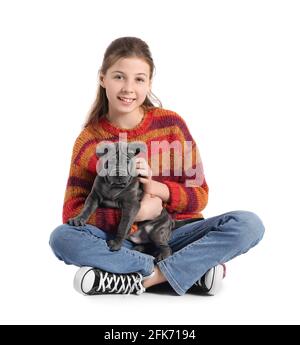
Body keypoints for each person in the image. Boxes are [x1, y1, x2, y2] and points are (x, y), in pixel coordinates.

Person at [49, 36, 265, 296]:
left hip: (173, 233)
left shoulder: (172, 125)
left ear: (149, 83)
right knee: (62, 238)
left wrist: (157, 190)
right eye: (119, 77)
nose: (129, 88)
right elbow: (73, 213)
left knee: (248, 224)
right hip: (121, 240)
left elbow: (200, 196)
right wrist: (134, 214)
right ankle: (183, 271)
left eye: (139, 79)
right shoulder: (89, 141)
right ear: (102, 78)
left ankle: (140, 277)